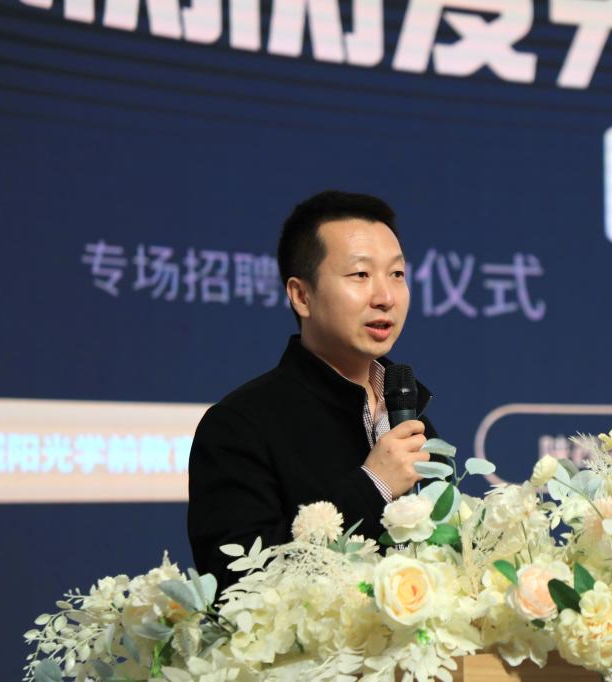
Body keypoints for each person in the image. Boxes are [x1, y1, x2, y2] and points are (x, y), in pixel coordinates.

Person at [187, 190, 438, 591]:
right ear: (302, 296)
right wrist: (373, 486)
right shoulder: (238, 426)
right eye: (360, 275)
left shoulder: (411, 418)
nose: (385, 297)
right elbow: (234, 585)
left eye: (397, 274)